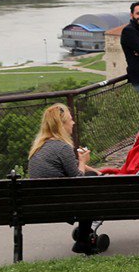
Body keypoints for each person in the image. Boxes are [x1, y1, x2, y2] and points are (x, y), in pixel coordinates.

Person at [27, 103, 101, 254]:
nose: (73, 122)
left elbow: (71, 167)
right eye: (70, 119)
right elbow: (78, 178)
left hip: (41, 204)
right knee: (91, 183)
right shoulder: (63, 147)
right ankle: (83, 241)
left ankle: (82, 236)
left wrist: (97, 172)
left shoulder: (39, 147)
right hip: (61, 205)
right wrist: (83, 162)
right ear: (62, 124)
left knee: (93, 176)